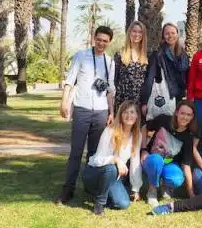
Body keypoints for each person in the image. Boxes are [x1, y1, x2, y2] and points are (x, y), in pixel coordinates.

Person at [56, 26, 116, 205]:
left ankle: (90, 187)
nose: (101, 43)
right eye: (99, 39)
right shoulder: (81, 56)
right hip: (82, 110)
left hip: (101, 112)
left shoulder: (110, 62)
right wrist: (64, 102)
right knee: (76, 152)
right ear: (94, 38)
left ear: (109, 42)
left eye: (105, 41)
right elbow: (70, 80)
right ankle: (68, 190)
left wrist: (112, 112)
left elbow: (110, 90)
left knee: (94, 153)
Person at [82, 101, 143, 215]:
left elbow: (135, 161)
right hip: (96, 173)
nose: (129, 115)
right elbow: (98, 159)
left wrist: (136, 188)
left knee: (124, 204)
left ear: (137, 116)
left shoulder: (137, 135)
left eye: (132, 112)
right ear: (120, 114)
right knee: (112, 168)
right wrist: (115, 159)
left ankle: (99, 194)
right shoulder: (110, 130)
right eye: (125, 112)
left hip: (115, 177)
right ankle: (99, 203)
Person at [141, 100, 199, 207]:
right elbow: (144, 128)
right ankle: (152, 191)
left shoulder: (188, 136)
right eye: (182, 113)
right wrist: (143, 149)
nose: (185, 117)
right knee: (156, 160)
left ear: (192, 117)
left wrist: (191, 193)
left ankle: (165, 186)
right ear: (176, 112)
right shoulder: (164, 120)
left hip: (169, 163)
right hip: (152, 159)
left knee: (177, 179)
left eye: (188, 115)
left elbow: (186, 165)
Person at [141, 23, 189, 116]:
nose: (170, 36)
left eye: (173, 33)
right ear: (163, 36)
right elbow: (149, 79)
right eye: (167, 33)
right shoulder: (157, 55)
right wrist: (144, 101)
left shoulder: (183, 55)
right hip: (165, 96)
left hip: (180, 97)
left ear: (177, 34)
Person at [114, 21, 149, 114]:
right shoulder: (120, 54)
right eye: (134, 31)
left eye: (140, 32)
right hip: (122, 99)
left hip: (140, 101)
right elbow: (114, 79)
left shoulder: (148, 55)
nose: (137, 34)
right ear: (129, 33)